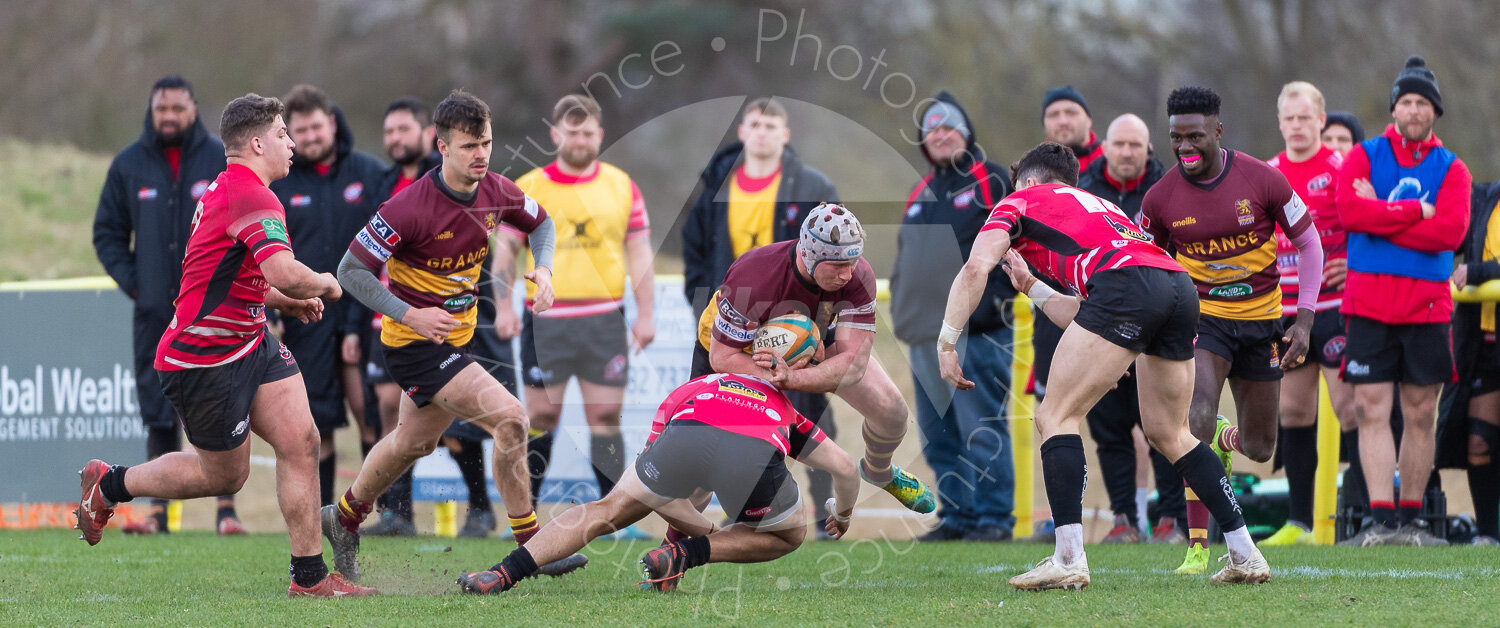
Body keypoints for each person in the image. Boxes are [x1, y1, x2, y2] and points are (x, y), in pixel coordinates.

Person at [75, 93, 373, 597]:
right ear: (257, 143)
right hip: (202, 360)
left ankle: (310, 578)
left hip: (249, 341)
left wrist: (279, 302)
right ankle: (110, 485)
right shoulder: (251, 195)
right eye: (282, 134)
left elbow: (235, 276)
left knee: (302, 441)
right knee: (224, 477)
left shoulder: (229, 188)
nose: (291, 142)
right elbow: (282, 269)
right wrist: (325, 282)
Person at [939, 142, 1269, 590]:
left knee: (1055, 415)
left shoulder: (1019, 200)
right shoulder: (1100, 208)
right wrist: (1031, 286)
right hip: (1175, 286)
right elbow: (1087, 313)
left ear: (1030, 183)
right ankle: (1245, 552)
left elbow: (976, 268)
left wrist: (946, 342)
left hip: (1127, 288)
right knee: (1171, 433)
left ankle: (1069, 557)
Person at [328, 90, 584, 580]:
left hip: (454, 340)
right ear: (440, 147)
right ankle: (533, 546)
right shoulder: (408, 207)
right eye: (468, 146)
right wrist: (409, 314)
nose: (481, 154)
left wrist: (545, 270)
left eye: (485, 142)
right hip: (413, 346)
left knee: (411, 444)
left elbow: (542, 223)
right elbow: (349, 271)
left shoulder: (497, 190)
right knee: (511, 419)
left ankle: (343, 518)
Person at [454, 372, 860, 595]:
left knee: (605, 511)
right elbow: (845, 469)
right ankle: (681, 556)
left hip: (687, 433)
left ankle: (500, 574)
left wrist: (702, 527)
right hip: (752, 451)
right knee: (788, 535)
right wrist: (840, 515)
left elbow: (658, 492)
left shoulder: (691, 389)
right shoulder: (783, 406)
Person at [1139, 86, 1323, 574]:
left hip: (1263, 325)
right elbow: (1144, 261)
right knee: (1194, 417)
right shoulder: (1159, 199)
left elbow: (1310, 244)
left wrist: (1304, 318)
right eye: (1176, 138)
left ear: (1218, 131)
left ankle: (1223, 439)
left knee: (1262, 449)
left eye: (1195, 137)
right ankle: (1198, 545)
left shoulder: (1263, 179)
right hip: (1203, 323)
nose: (1185, 148)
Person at [697, 202, 935, 514]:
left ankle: (878, 470)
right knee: (704, 463)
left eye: (852, 261)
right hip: (736, 349)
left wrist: (794, 377)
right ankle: (675, 548)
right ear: (808, 255)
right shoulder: (754, 275)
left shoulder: (859, 275)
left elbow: (854, 363)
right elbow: (721, 356)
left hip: (812, 338)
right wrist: (777, 375)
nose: (847, 274)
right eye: (837, 266)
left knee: (893, 413)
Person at [680, 97, 845, 530]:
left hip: (793, 327)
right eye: (756, 124)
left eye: (772, 125)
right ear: (742, 132)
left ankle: (825, 510)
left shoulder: (810, 184)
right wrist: (705, 304)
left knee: (810, 412)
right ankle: (680, 524)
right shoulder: (716, 184)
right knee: (712, 419)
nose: (763, 132)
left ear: (785, 135)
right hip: (731, 322)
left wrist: (817, 326)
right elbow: (693, 247)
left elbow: (835, 257)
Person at [92, 75, 246, 536]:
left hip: (215, 313)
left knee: (223, 406)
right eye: (162, 109)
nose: (170, 116)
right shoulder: (128, 165)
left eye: (178, 108)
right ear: (152, 111)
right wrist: (139, 285)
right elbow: (107, 234)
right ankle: (157, 513)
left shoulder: (218, 160)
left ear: (194, 110)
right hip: (156, 313)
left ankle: (227, 513)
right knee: (159, 411)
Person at [1336, 56, 1470, 547]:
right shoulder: (1364, 155)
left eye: (1422, 102)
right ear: (1395, 108)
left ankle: (1411, 521)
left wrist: (1382, 216)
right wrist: (1416, 211)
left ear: (1435, 111)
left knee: (1419, 412)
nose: (1413, 110)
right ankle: (1379, 522)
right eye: (1406, 101)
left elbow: (1451, 232)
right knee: (1371, 410)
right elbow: (1350, 211)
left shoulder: (1453, 168)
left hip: (1428, 308)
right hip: (1369, 304)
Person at [362, 98, 503, 539]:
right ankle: (396, 512)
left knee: (428, 435)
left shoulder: (469, 180)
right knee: (392, 415)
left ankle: (478, 510)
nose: (394, 139)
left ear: (430, 139)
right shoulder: (387, 187)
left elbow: (510, 229)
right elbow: (358, 264)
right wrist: (403, 312)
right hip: (399, 321)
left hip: (457, 321)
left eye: (403, 129)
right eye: (388, 131)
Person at [506, 94, 654, 508]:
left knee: (605, 416)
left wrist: (646, 315)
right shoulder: (529, 187)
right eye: (572, 132)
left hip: (605, 321)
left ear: (600, 135)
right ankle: (525, 516)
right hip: (545, 320)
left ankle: (612, 513)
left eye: (588, 132)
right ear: (556, 134)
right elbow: (504, 253)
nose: (580, 139)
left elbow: (640, 254)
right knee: (540, 418)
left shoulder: (622, 185)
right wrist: (503, 306)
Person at [890, 91, 1016, 542]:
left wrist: (985, 308)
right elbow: (907, 258)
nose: (940, 135)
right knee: (938, 434)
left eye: (949, 127)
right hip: (925, 336)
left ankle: (993, 518)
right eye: (932, 130)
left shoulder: (993, 180)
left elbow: (1017, 248)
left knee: (981, 428)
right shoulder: (920, 190)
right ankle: (958, 516)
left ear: (966, 133)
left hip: (978, 334)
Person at [269, 84, 387, 507]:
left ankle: (391, 511)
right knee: (316, 421)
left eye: (318, 126)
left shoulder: (370, 174)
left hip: (366, 311)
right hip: (308, 314)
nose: (312, 136)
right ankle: (322, 513)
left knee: (372, 414)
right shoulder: (280, 183)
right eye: (301, 130)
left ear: (332, 123)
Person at [1075, 113, 1186, 544]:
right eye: (1118, 144)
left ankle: (1171, 520)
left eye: (1134, 145)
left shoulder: (1169, 191)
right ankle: (1123, 519)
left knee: (1162, 426)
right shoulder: (1082, 190)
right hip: (1098, 322)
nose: (1125, 152)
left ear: (1149, 149)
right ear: (1103, 146)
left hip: (1156, 326)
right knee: (1109, 429)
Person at [1259, 82, 1355, 546]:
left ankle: (1360, 514)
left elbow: (1370, 228)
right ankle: (1298, 522)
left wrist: (1352, 265)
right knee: (1295, 412)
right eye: (1289, 118)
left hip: (1335, 309)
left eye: (1305, 117)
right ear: (1279, 122)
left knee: (1352, 409)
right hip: (1286, 312)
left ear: (1321, 120)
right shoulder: (1268, 173)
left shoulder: (1343, 169)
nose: (1297, 126)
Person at [1438, 177, 1500, 545]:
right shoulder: (1484, 197)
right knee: (1478, 443)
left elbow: (1478, 268)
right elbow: (1449, 236)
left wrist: (1479, 273)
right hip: (1483, 343)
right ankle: (1487, 536)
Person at [1042, 85, 1104, 171]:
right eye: (1054, 114)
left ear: (1089, 120)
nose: (1063, 121)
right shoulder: (1030, 170)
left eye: (1071, 113)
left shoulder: (1112, 163)